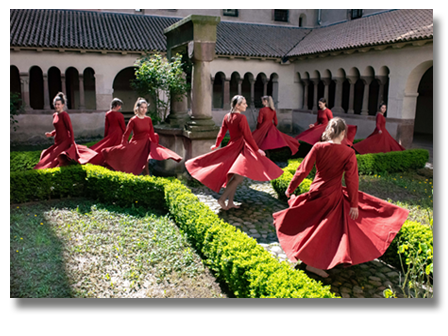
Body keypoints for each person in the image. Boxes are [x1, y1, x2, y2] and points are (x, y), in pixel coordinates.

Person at [273, 117, 409, 278]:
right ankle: (313, 263)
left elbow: (302, 170)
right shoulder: (348, 152)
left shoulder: (318, 146)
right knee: (326, 229)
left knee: (315, 225)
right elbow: (352, 180)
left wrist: (290, 188)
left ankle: (310, 259)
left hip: (317, 190)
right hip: (332, 195)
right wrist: (354, 204)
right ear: (343, 133)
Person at [185, 95, 284, 210]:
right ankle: (222, 199)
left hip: (232, 146)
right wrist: (257, 150)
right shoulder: (241, 118)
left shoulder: (227, 116)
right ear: (237, 105)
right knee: (238, 178)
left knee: (236, 177)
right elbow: (248, 136)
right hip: (240, 148)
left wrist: (216, 145)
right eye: (244, 103)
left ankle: (230, 202)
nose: (246, 105)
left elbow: (222, 132)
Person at [101, 97, 182, 175]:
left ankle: (147, 180)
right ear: (138, 108)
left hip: (145, 144)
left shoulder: (148, 119)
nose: (144, 110)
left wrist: (155, 144)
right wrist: (123, 145)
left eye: (146, 108)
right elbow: (126, 134)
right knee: (132, 163)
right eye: (142, 107)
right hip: (136, 144)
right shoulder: (133, 120)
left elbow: (151, 132)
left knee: (145, 165)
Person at [34, 92, 98, 169]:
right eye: (55, 104)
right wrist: (51, 134)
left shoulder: (65, 115)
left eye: (58, 104)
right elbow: (59, 127)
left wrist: (71, 143)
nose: (57, 106)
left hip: (65, 140)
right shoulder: (55, 115)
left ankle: (41, 169)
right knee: (47, 153)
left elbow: (70, 129)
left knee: (53, 157)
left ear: (63, 105)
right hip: (58, 140)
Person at [87, 98, 126, 165]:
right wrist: (126, 136)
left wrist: (105, 136)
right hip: (118, 133)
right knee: (117, 148)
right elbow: (123, 127)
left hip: (110, 132)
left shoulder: (107, 114)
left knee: (108, 146)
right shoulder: (120, 115)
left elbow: (106, 126)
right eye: (120, 106)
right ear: (117, 105)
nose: (120, 107)